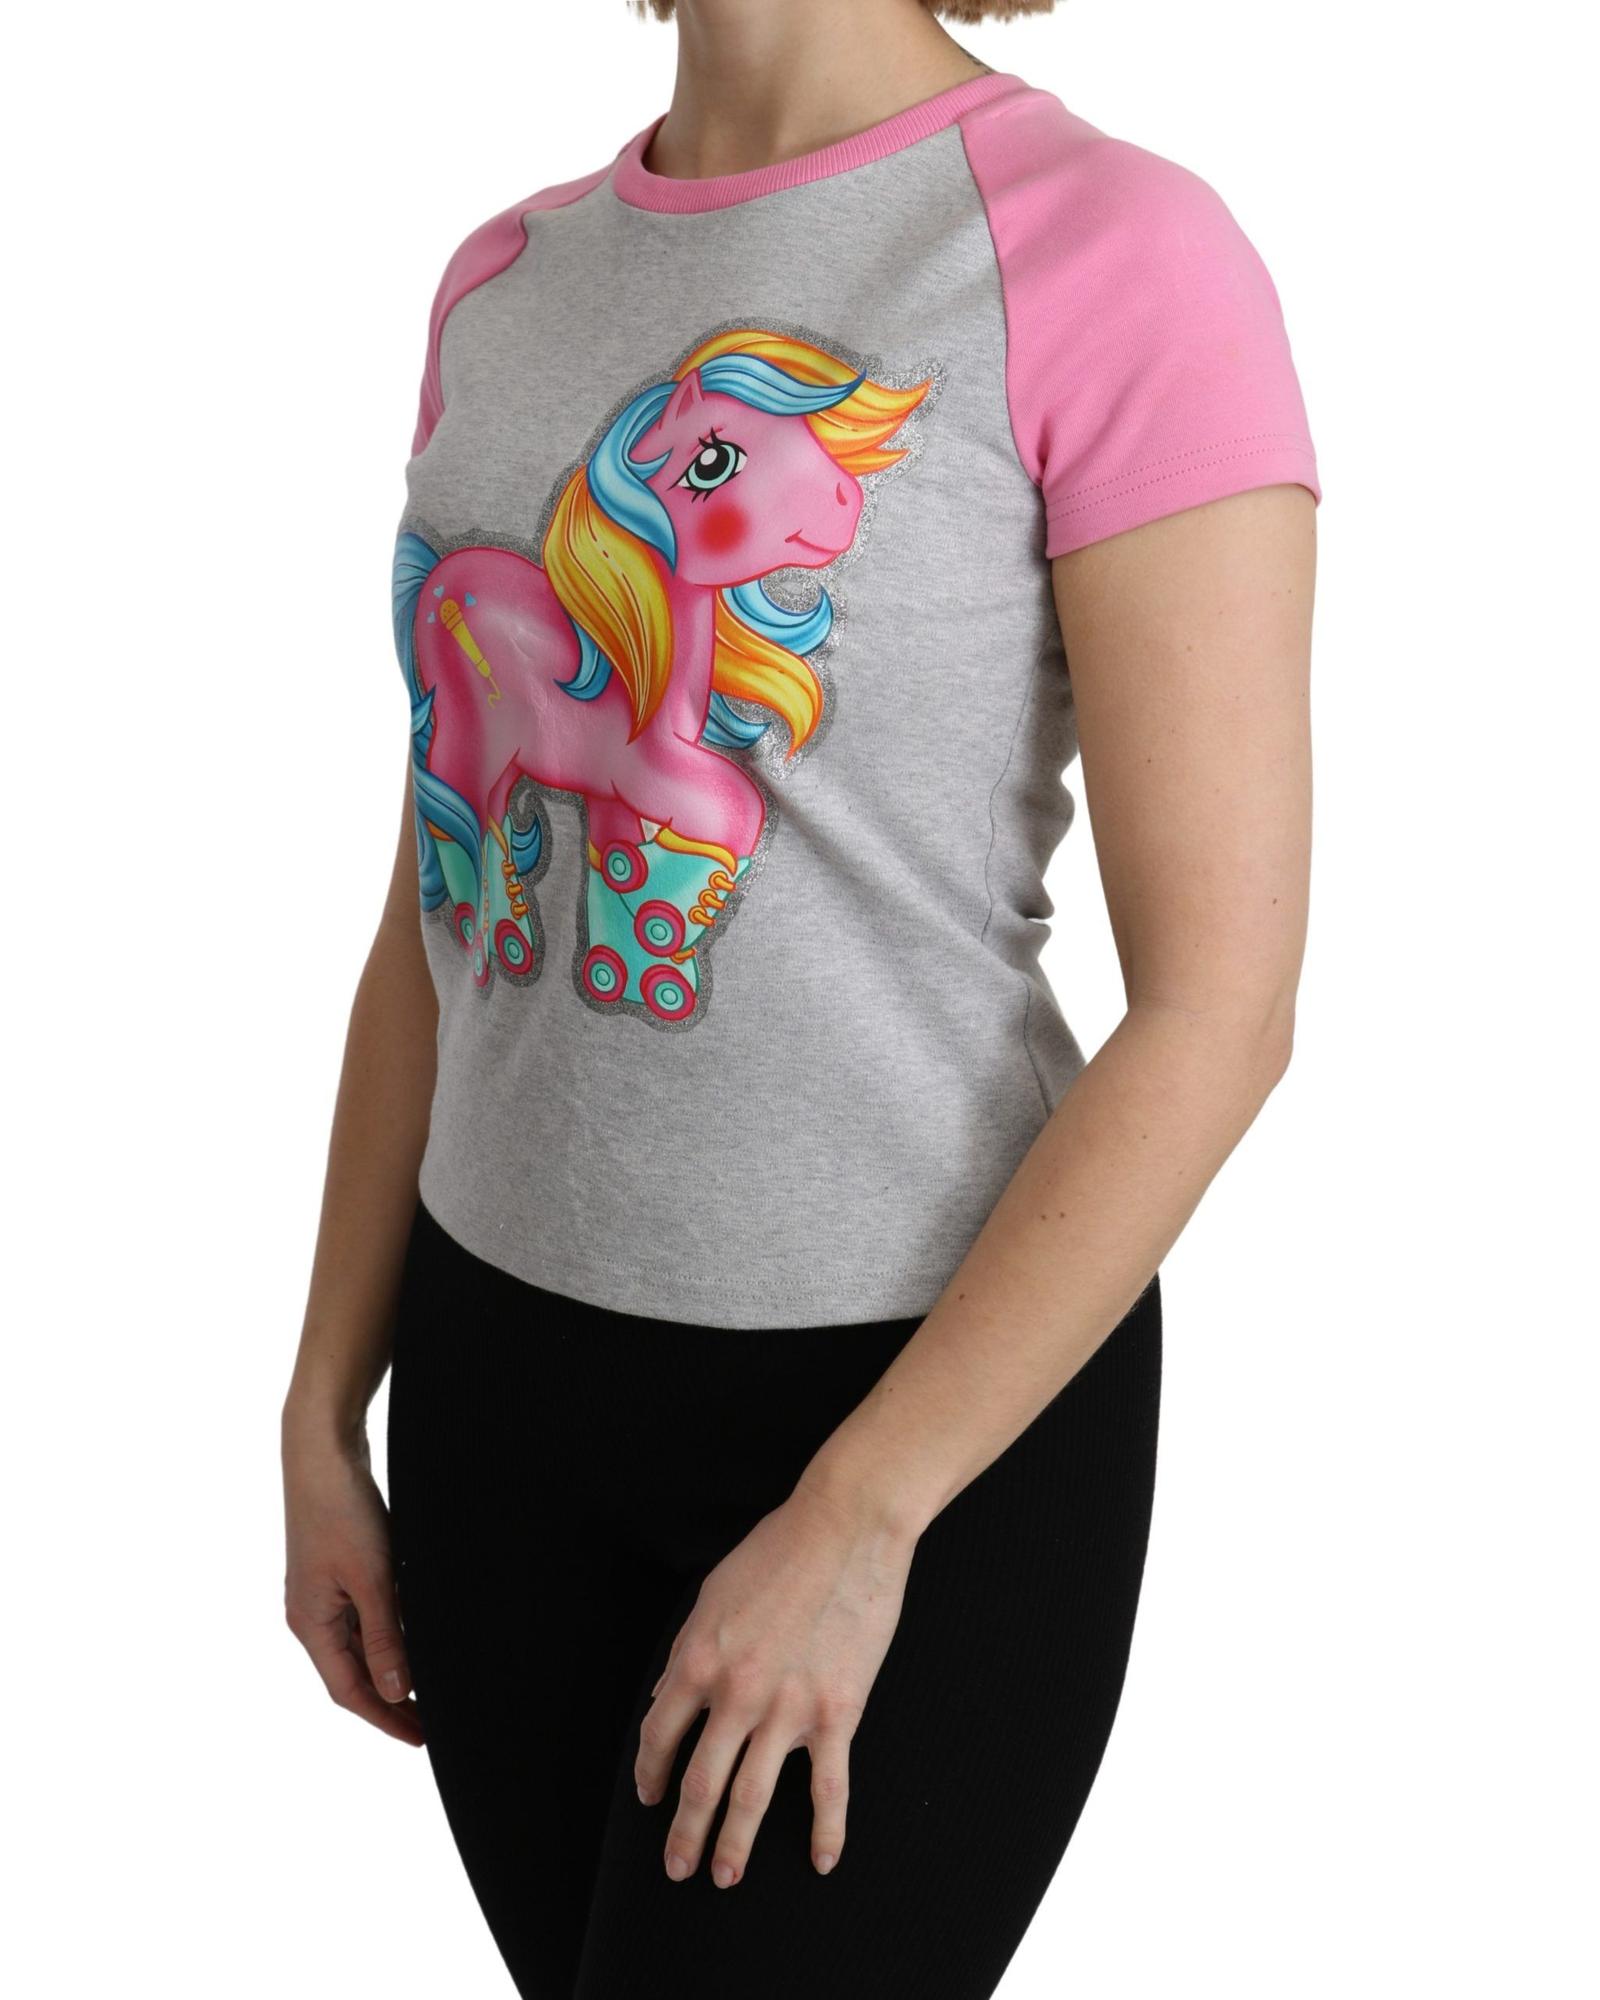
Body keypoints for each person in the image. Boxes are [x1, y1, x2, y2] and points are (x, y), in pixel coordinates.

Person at [281, 1, 1319, 1992]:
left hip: (914, 1416)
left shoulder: (1110, 251)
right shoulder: (509, 279)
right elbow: (446, 892)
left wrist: (860, 1512)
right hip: (497, 1396)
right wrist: (325, 1402)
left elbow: (1222, 1006)